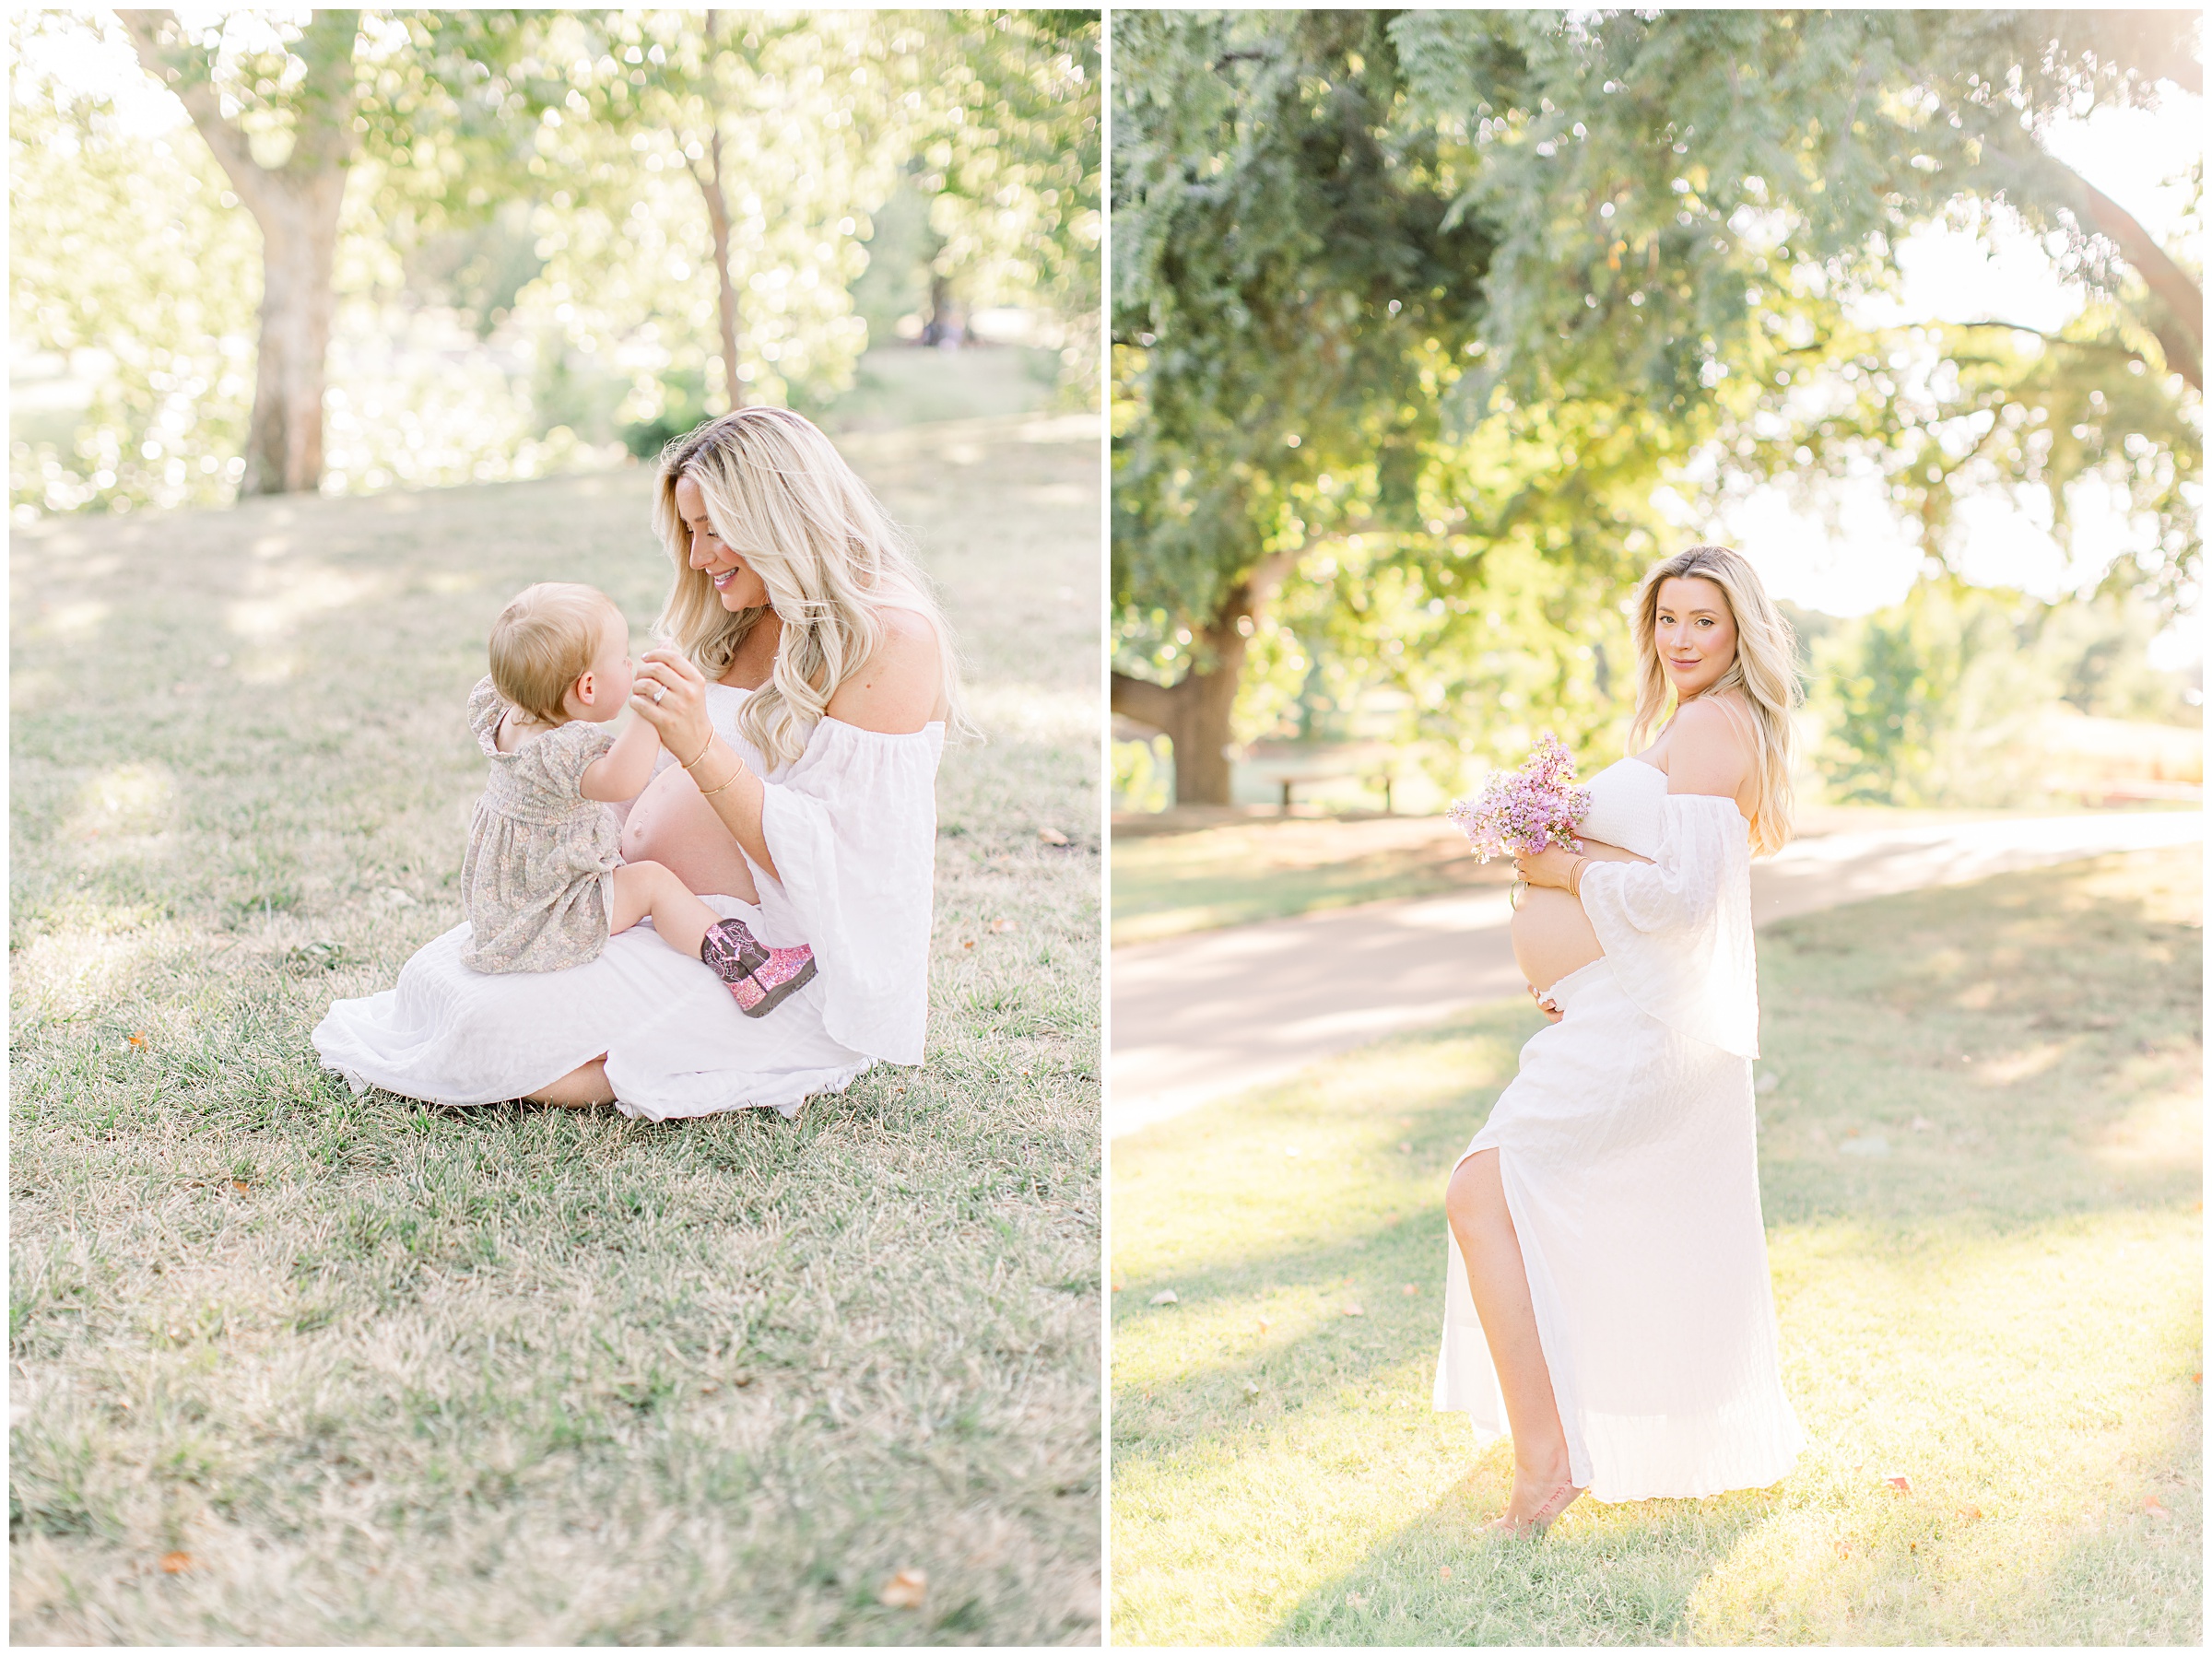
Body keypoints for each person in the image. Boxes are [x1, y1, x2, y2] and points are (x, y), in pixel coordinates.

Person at [314, 406, 965, 1119]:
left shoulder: (890, 637)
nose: (697, 556)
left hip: (772, 961)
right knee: (433, 983)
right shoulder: (738, 610)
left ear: (784, 518)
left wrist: (697, 745)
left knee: (484, 1030)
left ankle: (699, 1057)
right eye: (689, 530)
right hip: (648, 913)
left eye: (716, 530)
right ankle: (626, 1039)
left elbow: (850, 864)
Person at [1435, 544, 1807, 1535]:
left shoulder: (1716, 725)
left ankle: (1547, 1465)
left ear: (1739, 635)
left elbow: (1687, 900)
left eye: (1704, 622)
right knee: (1499, 1200)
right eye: (1668, 619)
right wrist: (1575, 955)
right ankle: (1553, 1448)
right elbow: (1654, 876)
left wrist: (1560, 874)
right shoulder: (1687, 724)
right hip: (1611, 1005)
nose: (1681, 639)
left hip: (1643, 1025)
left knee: (1481, 1193)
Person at [458, 580, 817, 1016]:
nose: (632, 666)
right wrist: (652, 705)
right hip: (554, 912)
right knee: (651, 883)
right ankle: (750, 969)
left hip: (515, 904)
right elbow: (624, 780)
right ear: (587, 689)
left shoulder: (503, 714)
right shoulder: (564, 751)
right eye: (625, 660)